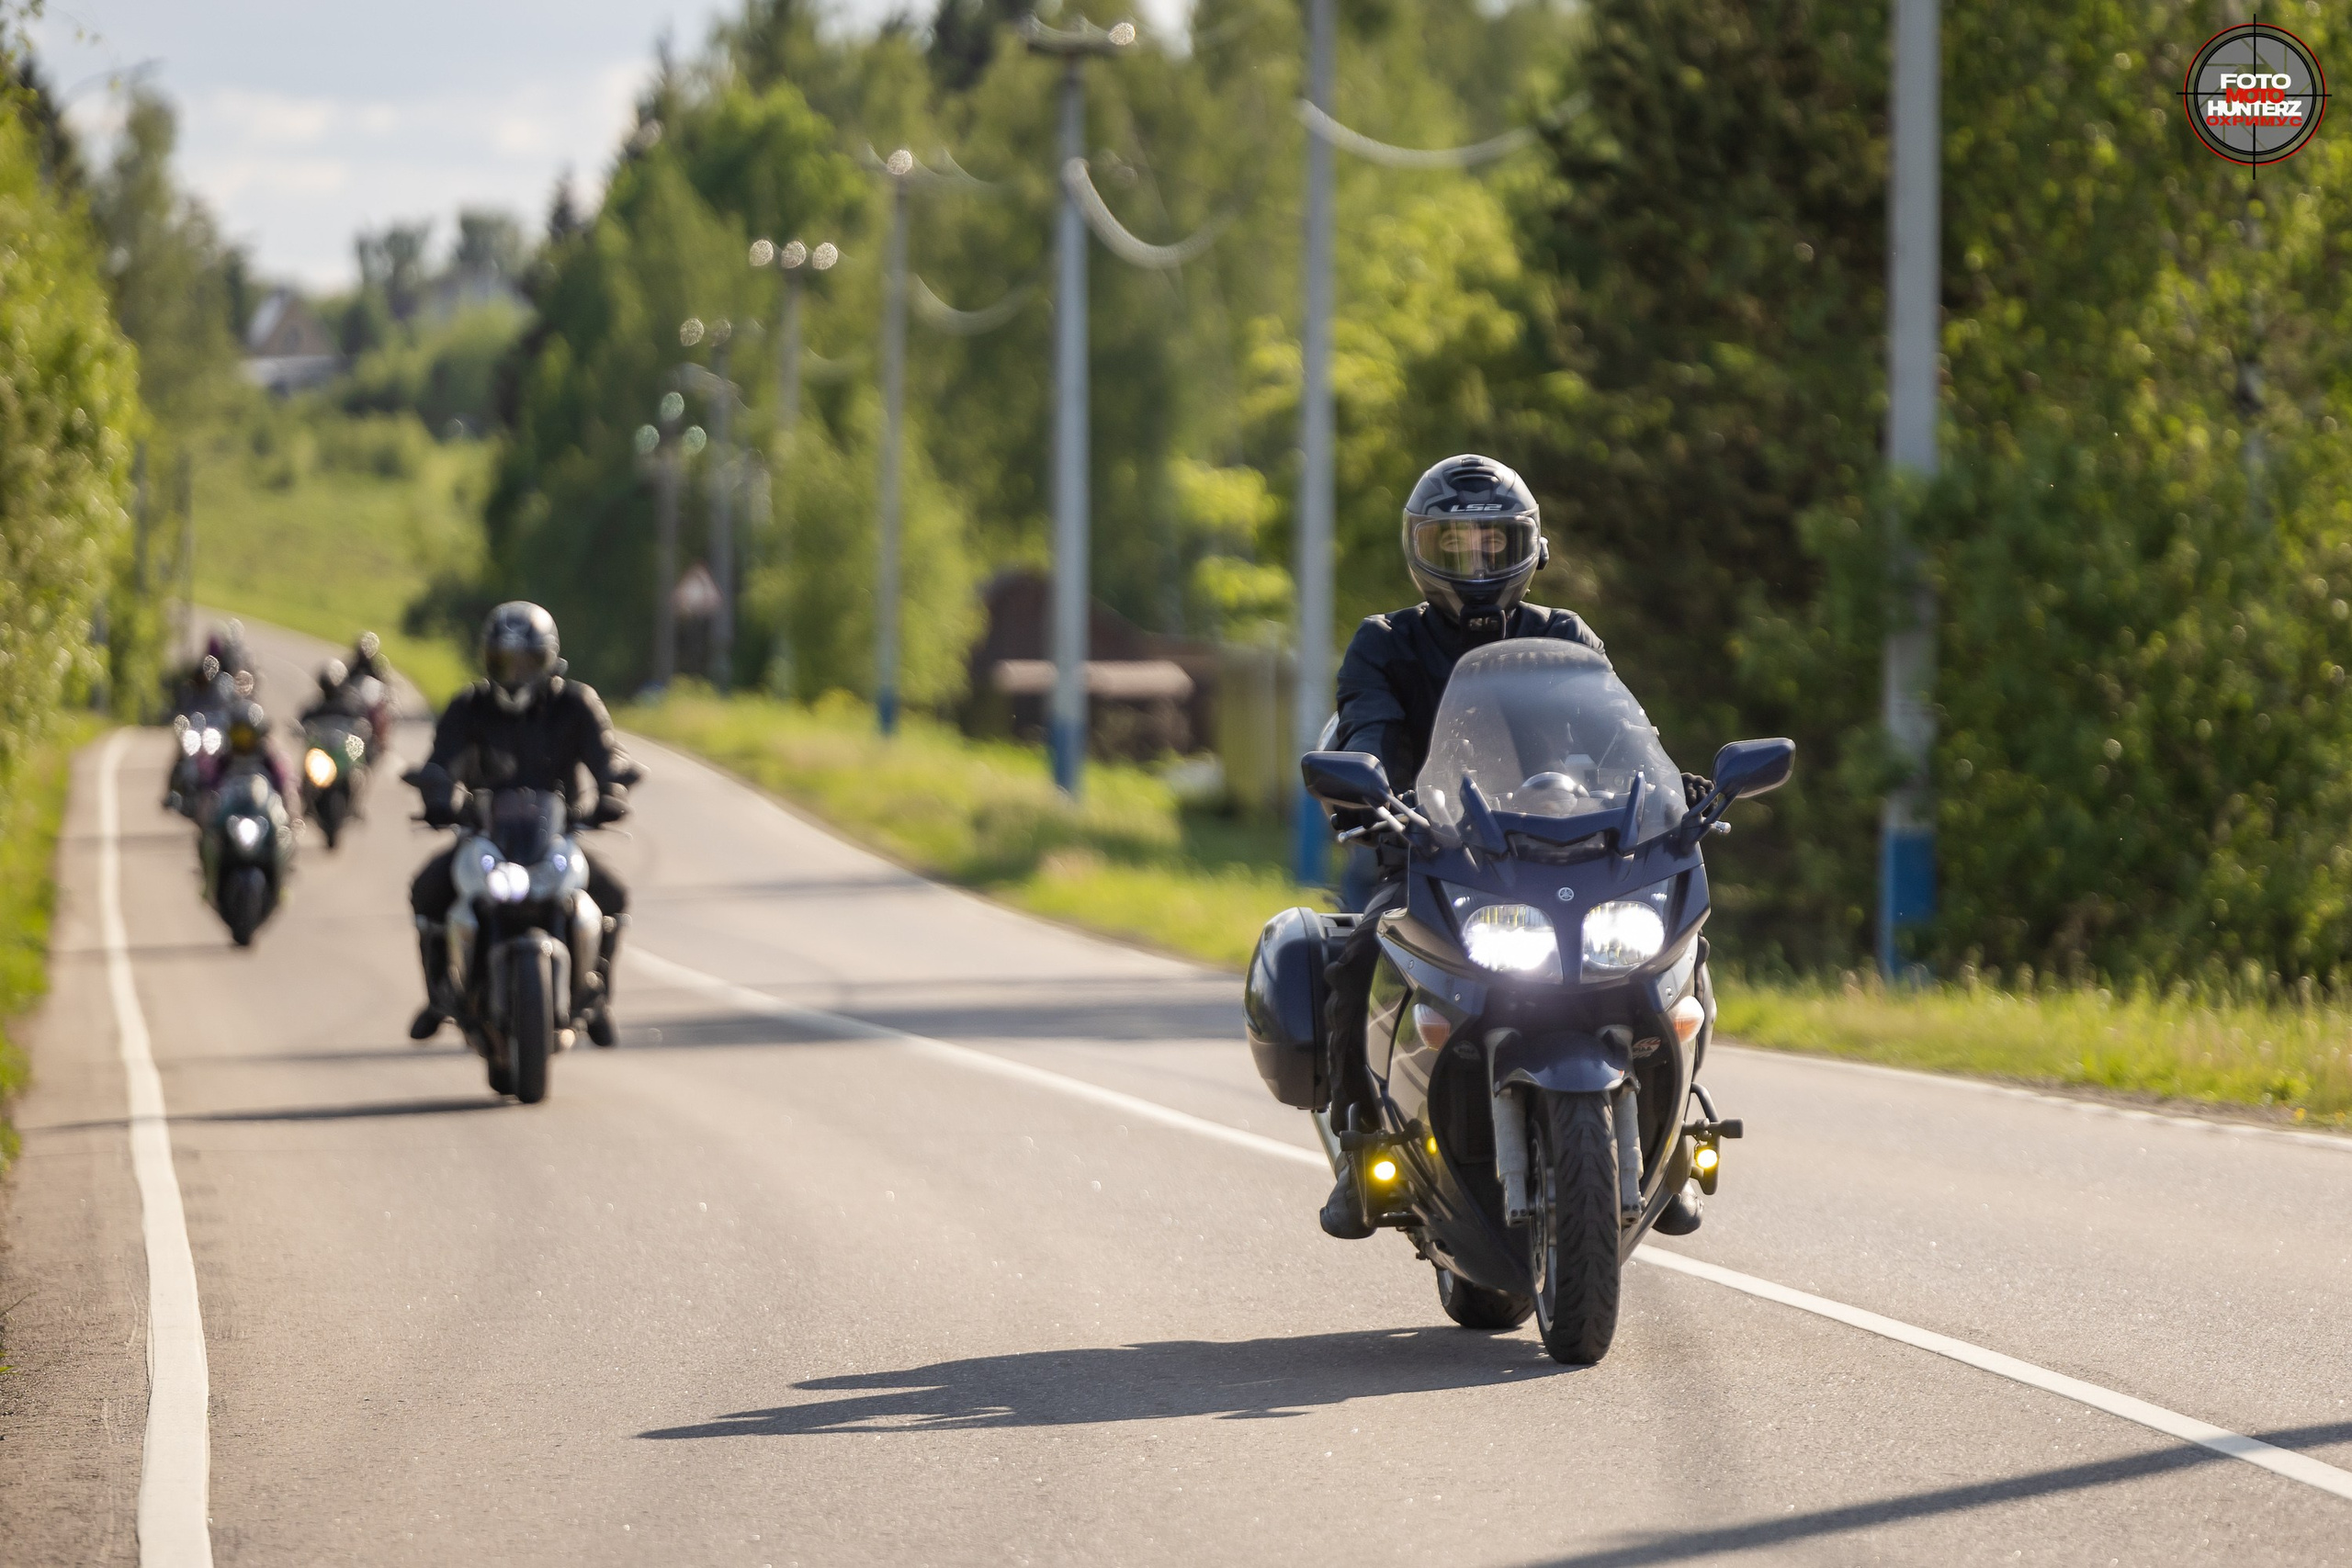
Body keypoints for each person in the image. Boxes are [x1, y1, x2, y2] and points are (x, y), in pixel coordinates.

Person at [1313, 453, 1707, 1241]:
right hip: (1434, 855)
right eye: (1455, 545)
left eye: (1496, 541)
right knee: (1353, 952)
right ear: (1421, 551)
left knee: (1677, 953)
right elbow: (1368, 728)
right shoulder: (1385, 644)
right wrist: (1373, 796)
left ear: (1530, 546)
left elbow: (1620, 732)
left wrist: (1673, 789)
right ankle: (1359, 1140)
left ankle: (1676, 1145)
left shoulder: (1562, 634)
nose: (1479, 562)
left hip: (1565, 858)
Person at [404, 603, 636, 1046]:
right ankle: (438, 995)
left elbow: (608, 756)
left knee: (611, 892)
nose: (514, 672)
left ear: (550, 661)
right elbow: (441, 760)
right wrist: (437, 794)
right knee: (428, 889)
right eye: (502, 661)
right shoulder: (469, 706)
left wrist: (613, 792)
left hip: (552, 837)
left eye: (526, 661)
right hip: (486, 837)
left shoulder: (576, 704)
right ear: (487, 660)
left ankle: (596, 993)